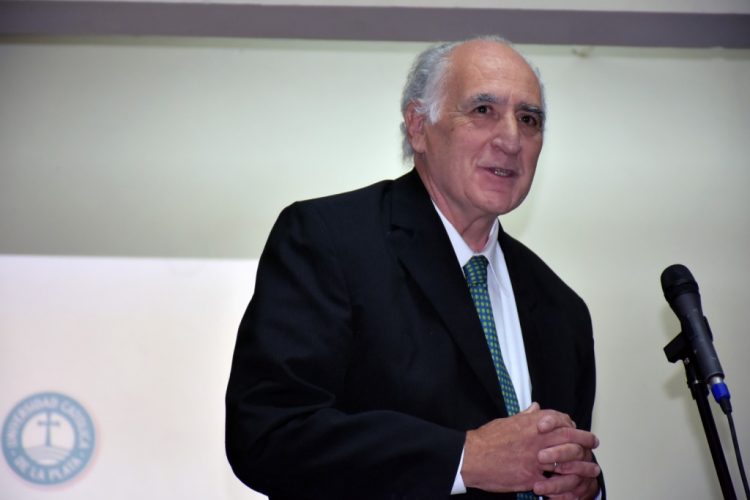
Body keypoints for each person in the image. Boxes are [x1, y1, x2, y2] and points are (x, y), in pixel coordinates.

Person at [226, 35, 604, 499]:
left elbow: (565, 463)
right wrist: (464, 459)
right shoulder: (329, 240)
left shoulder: (562, 309)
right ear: (418, 126)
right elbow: (267, 433)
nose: (511, 139)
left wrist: (585, 486)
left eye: (529, 119)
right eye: (483, 110)